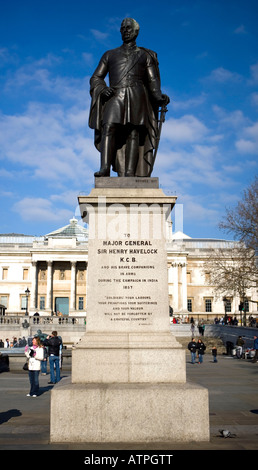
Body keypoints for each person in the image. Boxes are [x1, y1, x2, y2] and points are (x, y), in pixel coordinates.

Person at [89, 17, 169, 178]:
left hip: (137, 96)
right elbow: (96, 77)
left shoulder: (146, 55)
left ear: (136, 32)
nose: (126, 30)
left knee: (133, 132)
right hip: (115, 96)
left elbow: (153, 81)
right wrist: (102, 88)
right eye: (123, 28)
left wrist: (159, 97)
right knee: (108, 127)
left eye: (129, 28)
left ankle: (130, 173)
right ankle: (104, 168)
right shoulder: (110, 54)